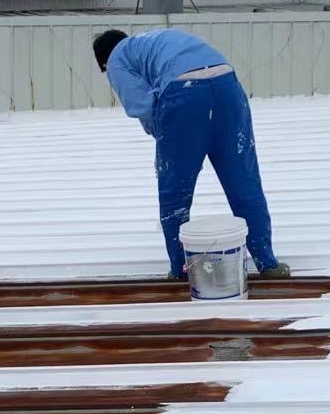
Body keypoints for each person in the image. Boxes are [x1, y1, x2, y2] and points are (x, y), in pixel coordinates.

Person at [93, 27, 289, 280]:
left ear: (104, 61)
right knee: (244, 182)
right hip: (227, 86)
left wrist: (169, 138)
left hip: (184, 93)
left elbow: (141, 104)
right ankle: (268, 264)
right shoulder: (153, 41)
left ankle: (180, 270)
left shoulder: (117, 58)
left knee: (175, 192)